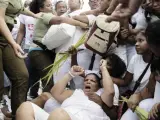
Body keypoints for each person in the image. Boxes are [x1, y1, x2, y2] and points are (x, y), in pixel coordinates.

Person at [16, 59, 116, 120]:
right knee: (25, 106)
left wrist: (103, 68)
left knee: (59, 114)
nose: (88, 82)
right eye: (86, 80)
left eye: (92, 81)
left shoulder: (102, 96)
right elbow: (54, 92)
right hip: (58, 117)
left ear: (99, 86)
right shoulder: (76, 92)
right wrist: (70, 74)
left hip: (73, 117)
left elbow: (110, 91)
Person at [0, 0, 42, 119]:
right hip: (5, 33)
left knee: (22, 75)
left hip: (6, 36)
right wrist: (14, 43)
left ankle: (18, 115)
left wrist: (34, 15)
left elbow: (19, 8)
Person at [120, 20, 160, 120]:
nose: (137, 44)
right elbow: (150, 89)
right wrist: (138, 96)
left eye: (142, 40)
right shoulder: (156, 62)